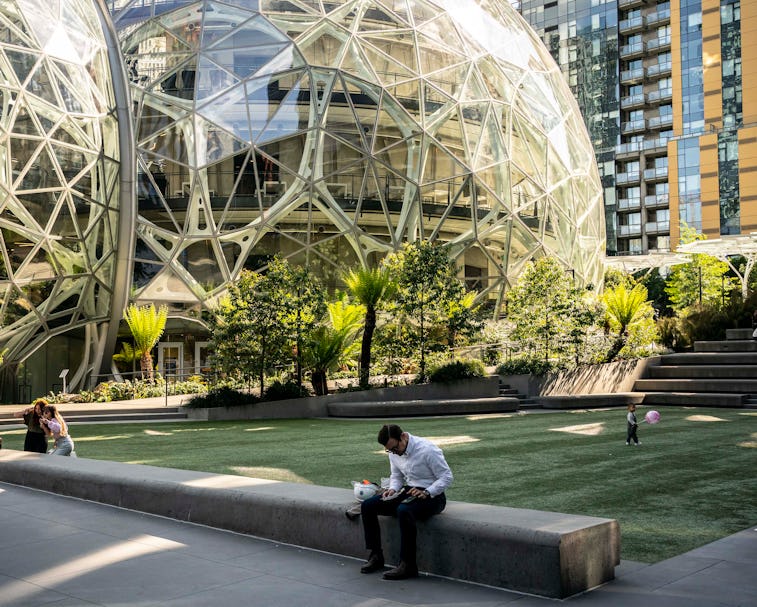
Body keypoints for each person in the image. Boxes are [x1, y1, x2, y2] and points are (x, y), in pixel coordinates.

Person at [359, 424, 453, 580]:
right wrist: (393, 489)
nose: (394, 452)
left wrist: (427, 492)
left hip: (434, 496)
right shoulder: (393, 451)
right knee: (368, 506)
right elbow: (396, 476)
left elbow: (446, 477)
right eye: (390, 450)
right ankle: (376, 555)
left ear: (403, 437)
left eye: (395, 448)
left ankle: (408, 564)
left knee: (404, 510)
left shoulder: (428, 450)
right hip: (409, 490)